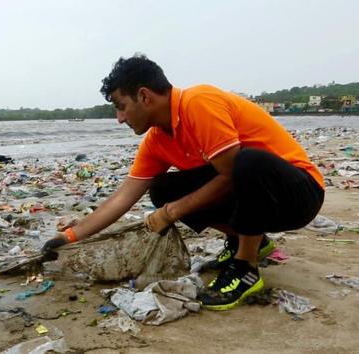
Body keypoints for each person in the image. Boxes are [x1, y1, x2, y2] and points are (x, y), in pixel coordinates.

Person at [42, 54, 324, 311]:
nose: (119, 119)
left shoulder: (198, 103)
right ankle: (250, 239)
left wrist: (171, 212)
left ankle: (245, 267)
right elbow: (122, 198)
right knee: (163, 188)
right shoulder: (156, 141)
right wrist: (69, 237)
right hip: (254, 199)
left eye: (121, 107)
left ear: (144, 96)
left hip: (298, 194)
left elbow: (230, 176)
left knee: (246, 161)